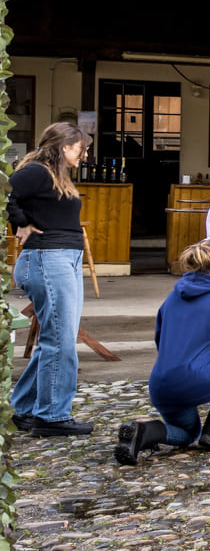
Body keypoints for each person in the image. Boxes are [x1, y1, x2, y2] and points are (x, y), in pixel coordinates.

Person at [114, 239, 210, 463]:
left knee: (188, 435)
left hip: (161, 383)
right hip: (197, 379)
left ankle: (145, 433)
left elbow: (160, 340)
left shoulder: (173, 297)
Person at [8, 122, 94, 436]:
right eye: (81, 148)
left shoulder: (56, 176)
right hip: (47, 258)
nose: (84, 155)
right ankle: (52, 416)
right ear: (64, 146)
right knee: (59, 342)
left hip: (61, 258)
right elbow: (6, 192)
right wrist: (21, 223)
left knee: (55, 340)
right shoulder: (37, 172)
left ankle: (26, 409)